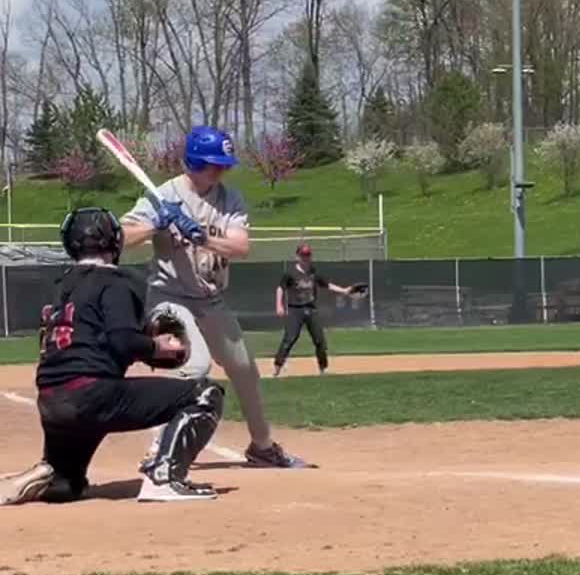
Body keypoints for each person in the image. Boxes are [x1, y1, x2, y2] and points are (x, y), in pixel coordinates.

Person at [1, 208, 226, 506]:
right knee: (205, 393)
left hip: (52, 402)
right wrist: (159, 347)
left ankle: (50, 472)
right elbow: (122, 341)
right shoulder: (115, 282)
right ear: (114, 241)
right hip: (92, 395)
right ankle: (164, 478)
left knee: (68, 486)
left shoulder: (63, 285)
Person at [121, 124, 309, 467]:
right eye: (214, 164)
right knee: (192, 365)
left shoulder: (230, 198)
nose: (221, 170)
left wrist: (200, 237)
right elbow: (121, 236)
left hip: (210, 299)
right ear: (194, 162)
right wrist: (157, 224)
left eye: (224, 164)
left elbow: (240, 246)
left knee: (244, 369)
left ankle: (262, 447)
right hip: (169, 297)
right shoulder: (162, 195)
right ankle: (160, 449)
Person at [272, 244, 363, 378]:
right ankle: (277, 368)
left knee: (319, 340)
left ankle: (323, 369)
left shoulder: (314, 272)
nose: (306, 257)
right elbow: (280, 288)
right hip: (295, 310)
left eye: (308, 255)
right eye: (303, 255)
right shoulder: (290, 273)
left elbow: (327, 285)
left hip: (311, 309)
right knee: (290, 338)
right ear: (297, 256)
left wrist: (344, 290)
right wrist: (279, 305)